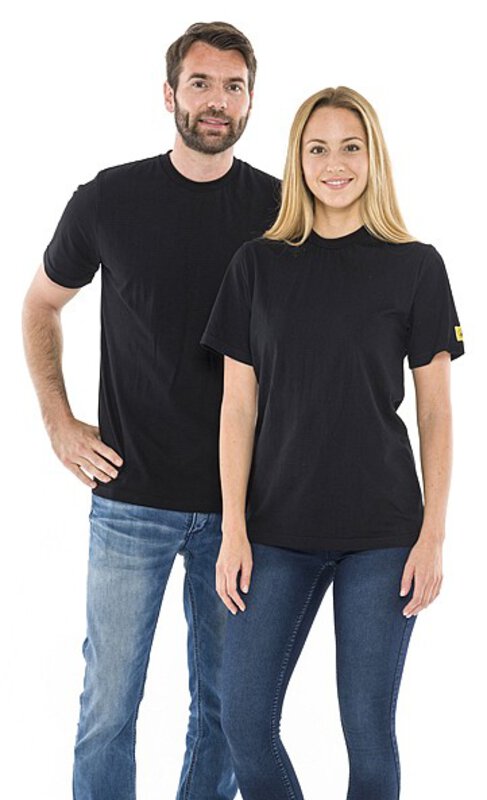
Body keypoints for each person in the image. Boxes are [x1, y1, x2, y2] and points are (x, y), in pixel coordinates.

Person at [22, 21, 280, 800]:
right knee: (108, 709)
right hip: (130, 499)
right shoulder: (110, 198)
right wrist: (59, 422)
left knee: (227, 715)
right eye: (200, 83)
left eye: (233, 86)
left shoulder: (279, 211)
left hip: (242, 509)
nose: (216, 100)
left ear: (250, 101)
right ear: (169, 95)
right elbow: (40, 304)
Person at [199, 85, 465, 799]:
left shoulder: (416, 265)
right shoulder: (255, 264)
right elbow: (237, 407)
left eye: (350, 147)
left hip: (382, 533)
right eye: (317, 149)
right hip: (274, 531)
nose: (334, 164)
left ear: (373, 157)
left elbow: (436, 412)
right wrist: (232, 529)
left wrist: (432, 536)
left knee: (368, 735)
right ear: (298, 159)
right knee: (244, 725)